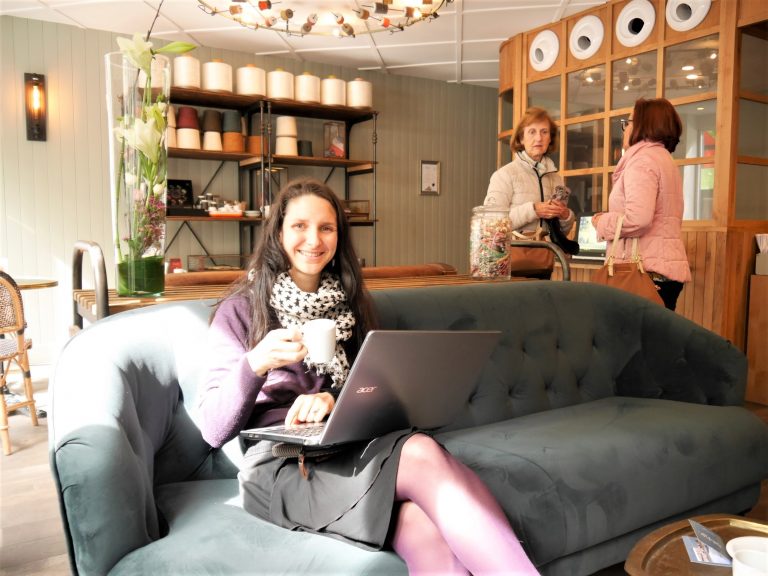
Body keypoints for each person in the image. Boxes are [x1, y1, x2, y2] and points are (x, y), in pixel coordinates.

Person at [198, 178, 540, 575]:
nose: (314, 239)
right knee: (420, 452)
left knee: (421, 525)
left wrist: (333, 400)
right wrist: (254, 364)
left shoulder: (350, 305)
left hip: (348, 447)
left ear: (339, 237)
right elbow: (212, 429)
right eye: (300, 226)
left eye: (326, 228)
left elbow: (370, 388)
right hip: (282, 465)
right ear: (278, 232)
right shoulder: (242, 309)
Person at [592, 98, 691, 310]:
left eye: (627, 123)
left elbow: (638, 219)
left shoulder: (642, 161)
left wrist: (601, 221)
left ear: (642, 125)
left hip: (644, 273)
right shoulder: (663, 159)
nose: (625, 129)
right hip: (660, 271)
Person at [483, 106, 575, 279]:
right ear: (521, 138)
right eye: (532, 132)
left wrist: (565, 216)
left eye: (544, 132)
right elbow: (491, 225)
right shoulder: (504, 175)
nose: (538, 138)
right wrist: (533, 210)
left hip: (543, 262)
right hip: (509, 264)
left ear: (550, 138)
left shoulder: (556, 179)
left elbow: (560, 231)